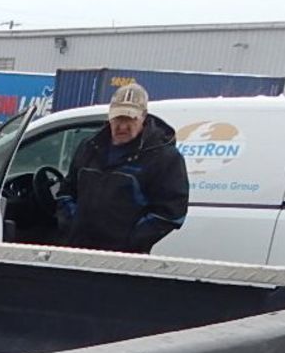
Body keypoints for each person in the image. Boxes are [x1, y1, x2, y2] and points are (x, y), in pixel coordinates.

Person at [56, 84, 189, 253]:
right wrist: (71, 223)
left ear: (143, 117)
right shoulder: (89, 147)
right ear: (110, 118)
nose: (122, 126)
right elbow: (67, 191)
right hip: (78, 251)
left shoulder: (164, 157)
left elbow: (171, 213)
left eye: (130, 119)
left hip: (124, 259)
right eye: (118, 119)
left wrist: (131, 240)